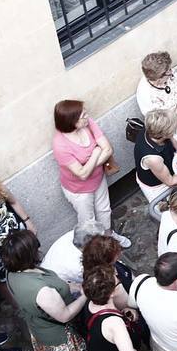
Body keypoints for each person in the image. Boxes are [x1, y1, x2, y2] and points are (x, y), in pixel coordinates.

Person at [3, 229, 88, 351]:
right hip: (60, 337)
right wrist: (85, 296)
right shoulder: (41, 291)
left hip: (38, 326)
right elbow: (65, 315)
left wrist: (72, 286)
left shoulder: (12, 272)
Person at [51, 100, 130, 246]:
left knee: (105, 210)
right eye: (83, 115)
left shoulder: (88, 123)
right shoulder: (60, 144)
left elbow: (108, 149)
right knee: (88, 222)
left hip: (98, 179)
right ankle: (96, 248)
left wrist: (89, 165)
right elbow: (81, 174)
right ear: (72, 121)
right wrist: (95, 153)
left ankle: (109, 236)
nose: (87, 116)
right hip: (79, 191)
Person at [134, 108, 177, 208]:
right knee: (173, 209)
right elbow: (170, 181)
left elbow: (175, 144)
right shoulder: (153, 158)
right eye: (173, 128)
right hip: (158, 187)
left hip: (167, 168)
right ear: (164, 134)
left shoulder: (153, 129)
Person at [134, 51, 177, 141]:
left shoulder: (168, 72)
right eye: (169, 71)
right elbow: (166, 124)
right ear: (159, 77)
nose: (172, 72)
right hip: (172, 135)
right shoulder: (146, 94)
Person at [39, 221, 96, 285]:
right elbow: (91, 281)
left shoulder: (76, 234)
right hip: (52, 284)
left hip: (45, 271)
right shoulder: (78, 267)